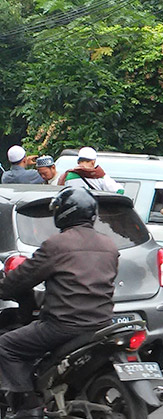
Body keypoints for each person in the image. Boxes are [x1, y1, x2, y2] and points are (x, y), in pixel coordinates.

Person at [0, 187, 119, 419]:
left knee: (6, 346)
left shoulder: (56, 245)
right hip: (101, 324)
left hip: (62, 326)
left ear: (64, 213)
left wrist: (4, 288)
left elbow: (22, 279)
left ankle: (29, 406)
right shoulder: (110, 246)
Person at [58, 147, 123, 194]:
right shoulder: (100, 176)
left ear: (78, 161)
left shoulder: (67, 176)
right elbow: (120, 191)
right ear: (93, 162)